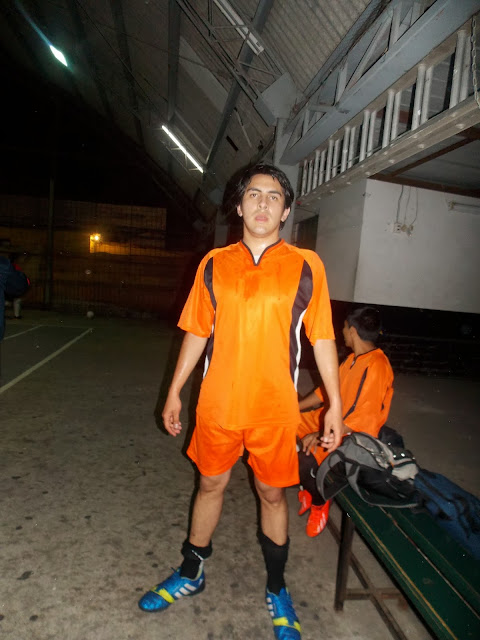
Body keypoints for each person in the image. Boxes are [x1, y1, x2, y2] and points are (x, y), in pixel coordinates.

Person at [138, 164, 343, 640]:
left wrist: (333, 403)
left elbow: (324, 338)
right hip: (218, 406)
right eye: (254, 194)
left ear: (286, 211)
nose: (263, 203)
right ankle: (191, 571)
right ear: (238, 205)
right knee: (209, 485)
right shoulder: (214, 263)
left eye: (274, 196)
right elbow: (197, 331)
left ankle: (277, 587)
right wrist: (174, 391)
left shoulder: (306, 265)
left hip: (274, 409)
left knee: (272, 494)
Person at [297, 306, 394, 537]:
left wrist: (322, 435)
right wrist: (295, 408)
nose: (341, 332)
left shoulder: (377, 366)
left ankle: (319, 501)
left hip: (351, 436)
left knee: (304, 457)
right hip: (331, 423)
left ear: (352, 331)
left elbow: (365, 420)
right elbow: (324, 392)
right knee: (281, 423)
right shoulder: (351, 360)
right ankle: (307, 487)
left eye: (343, 328)